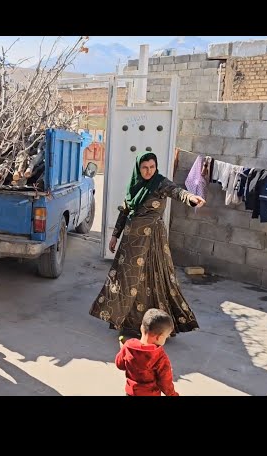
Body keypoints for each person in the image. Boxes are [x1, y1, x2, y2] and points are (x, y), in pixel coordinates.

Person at [89, 152, 205, 341]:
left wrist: (190, 198)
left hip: (152, 240)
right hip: (131, 242)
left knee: (154, 277)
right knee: (127, 279)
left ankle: (157, 325)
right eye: (144, 167)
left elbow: (177, 191)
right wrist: (114, 236)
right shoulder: (133, 186)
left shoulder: (160, 183)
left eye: (152, 167)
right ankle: (127, 322)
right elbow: (124, 212)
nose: (148, 171)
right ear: (138, 168)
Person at [115, 308, 179, 396]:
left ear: (141, 328)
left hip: (131, 393)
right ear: (159, 337)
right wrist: (173, 394)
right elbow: (165, 382)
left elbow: (120, 365)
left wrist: (122, 350)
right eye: (166, 336)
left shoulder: (128, 346)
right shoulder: (160, 356)